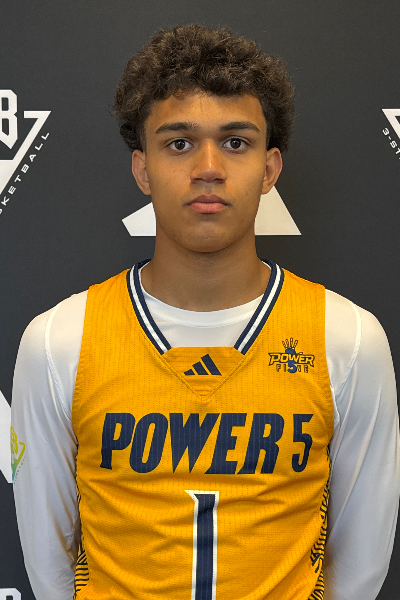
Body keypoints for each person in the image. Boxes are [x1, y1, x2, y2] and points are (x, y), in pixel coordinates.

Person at [11, 24, 399, 600]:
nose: (209, 167)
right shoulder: (58, 341)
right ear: (142, 169)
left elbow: (361, 564)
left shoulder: (348, 339)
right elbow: (48, 561)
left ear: (270, 169)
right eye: (179, 143)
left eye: (236, 142)